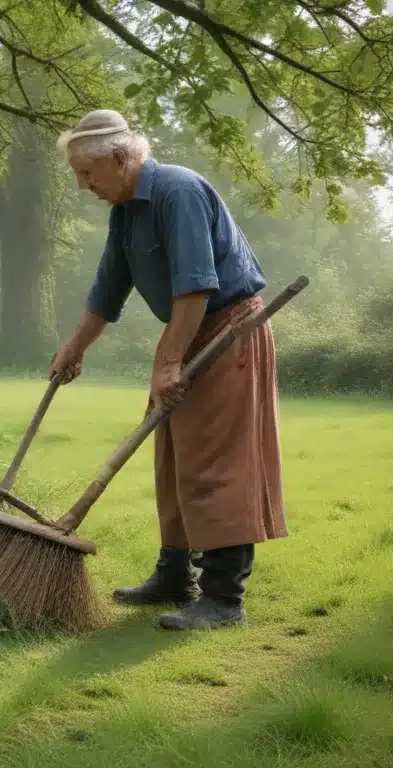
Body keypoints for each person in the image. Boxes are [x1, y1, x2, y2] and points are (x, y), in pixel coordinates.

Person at [49, 109, 287, 631]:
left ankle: (224, 599)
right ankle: (174, 575)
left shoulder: (176, 190)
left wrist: (169, 360)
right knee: (173, 456)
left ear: (118, 158)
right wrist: (75, 346)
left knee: (216, 460)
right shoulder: (126, 210)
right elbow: (108, 289)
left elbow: (197, 285)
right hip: (190, 328)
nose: (83, 186)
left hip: (229, 328)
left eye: (87, 174)